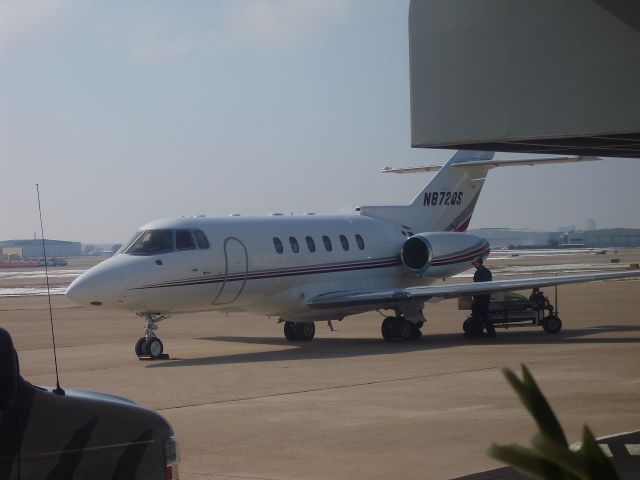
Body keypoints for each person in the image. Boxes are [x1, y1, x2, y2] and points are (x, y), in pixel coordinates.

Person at [472, 256, 495, 337]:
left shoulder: (480, 272)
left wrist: (475, 297)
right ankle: (489, 332)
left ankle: (484, 332)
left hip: (481, 297)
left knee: (481, 315)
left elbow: (478, 286)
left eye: (475, 263)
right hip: (485, 297)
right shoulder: (486, 271)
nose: (474, 265)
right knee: (484, 315)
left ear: (478, 263)